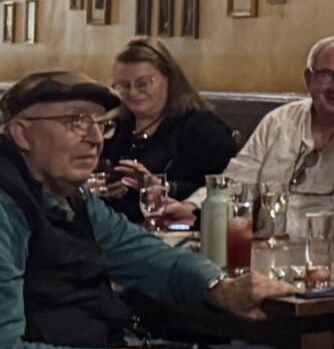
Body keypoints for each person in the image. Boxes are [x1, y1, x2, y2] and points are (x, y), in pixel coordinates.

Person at [0, 72, 293, 349]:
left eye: (100, 124)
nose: (94, 138)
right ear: (21, 133)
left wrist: (217, 285)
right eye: (75, 121)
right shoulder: (6, 205)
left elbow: (144, 253)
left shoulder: (69, 196)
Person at [206, 35, 334, 238]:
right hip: (270, 247)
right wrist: (193, 207)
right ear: (308, 78)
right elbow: (236, 180)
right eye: (326, 75)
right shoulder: (279, 121)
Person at [96, 39, 237, 221]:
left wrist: (163, 187)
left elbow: (226, 188)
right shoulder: (115, 126)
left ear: (169, 79)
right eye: (124, 85)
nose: (132, 92)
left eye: (143, 83)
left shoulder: (203, 130)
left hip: (177, 227)